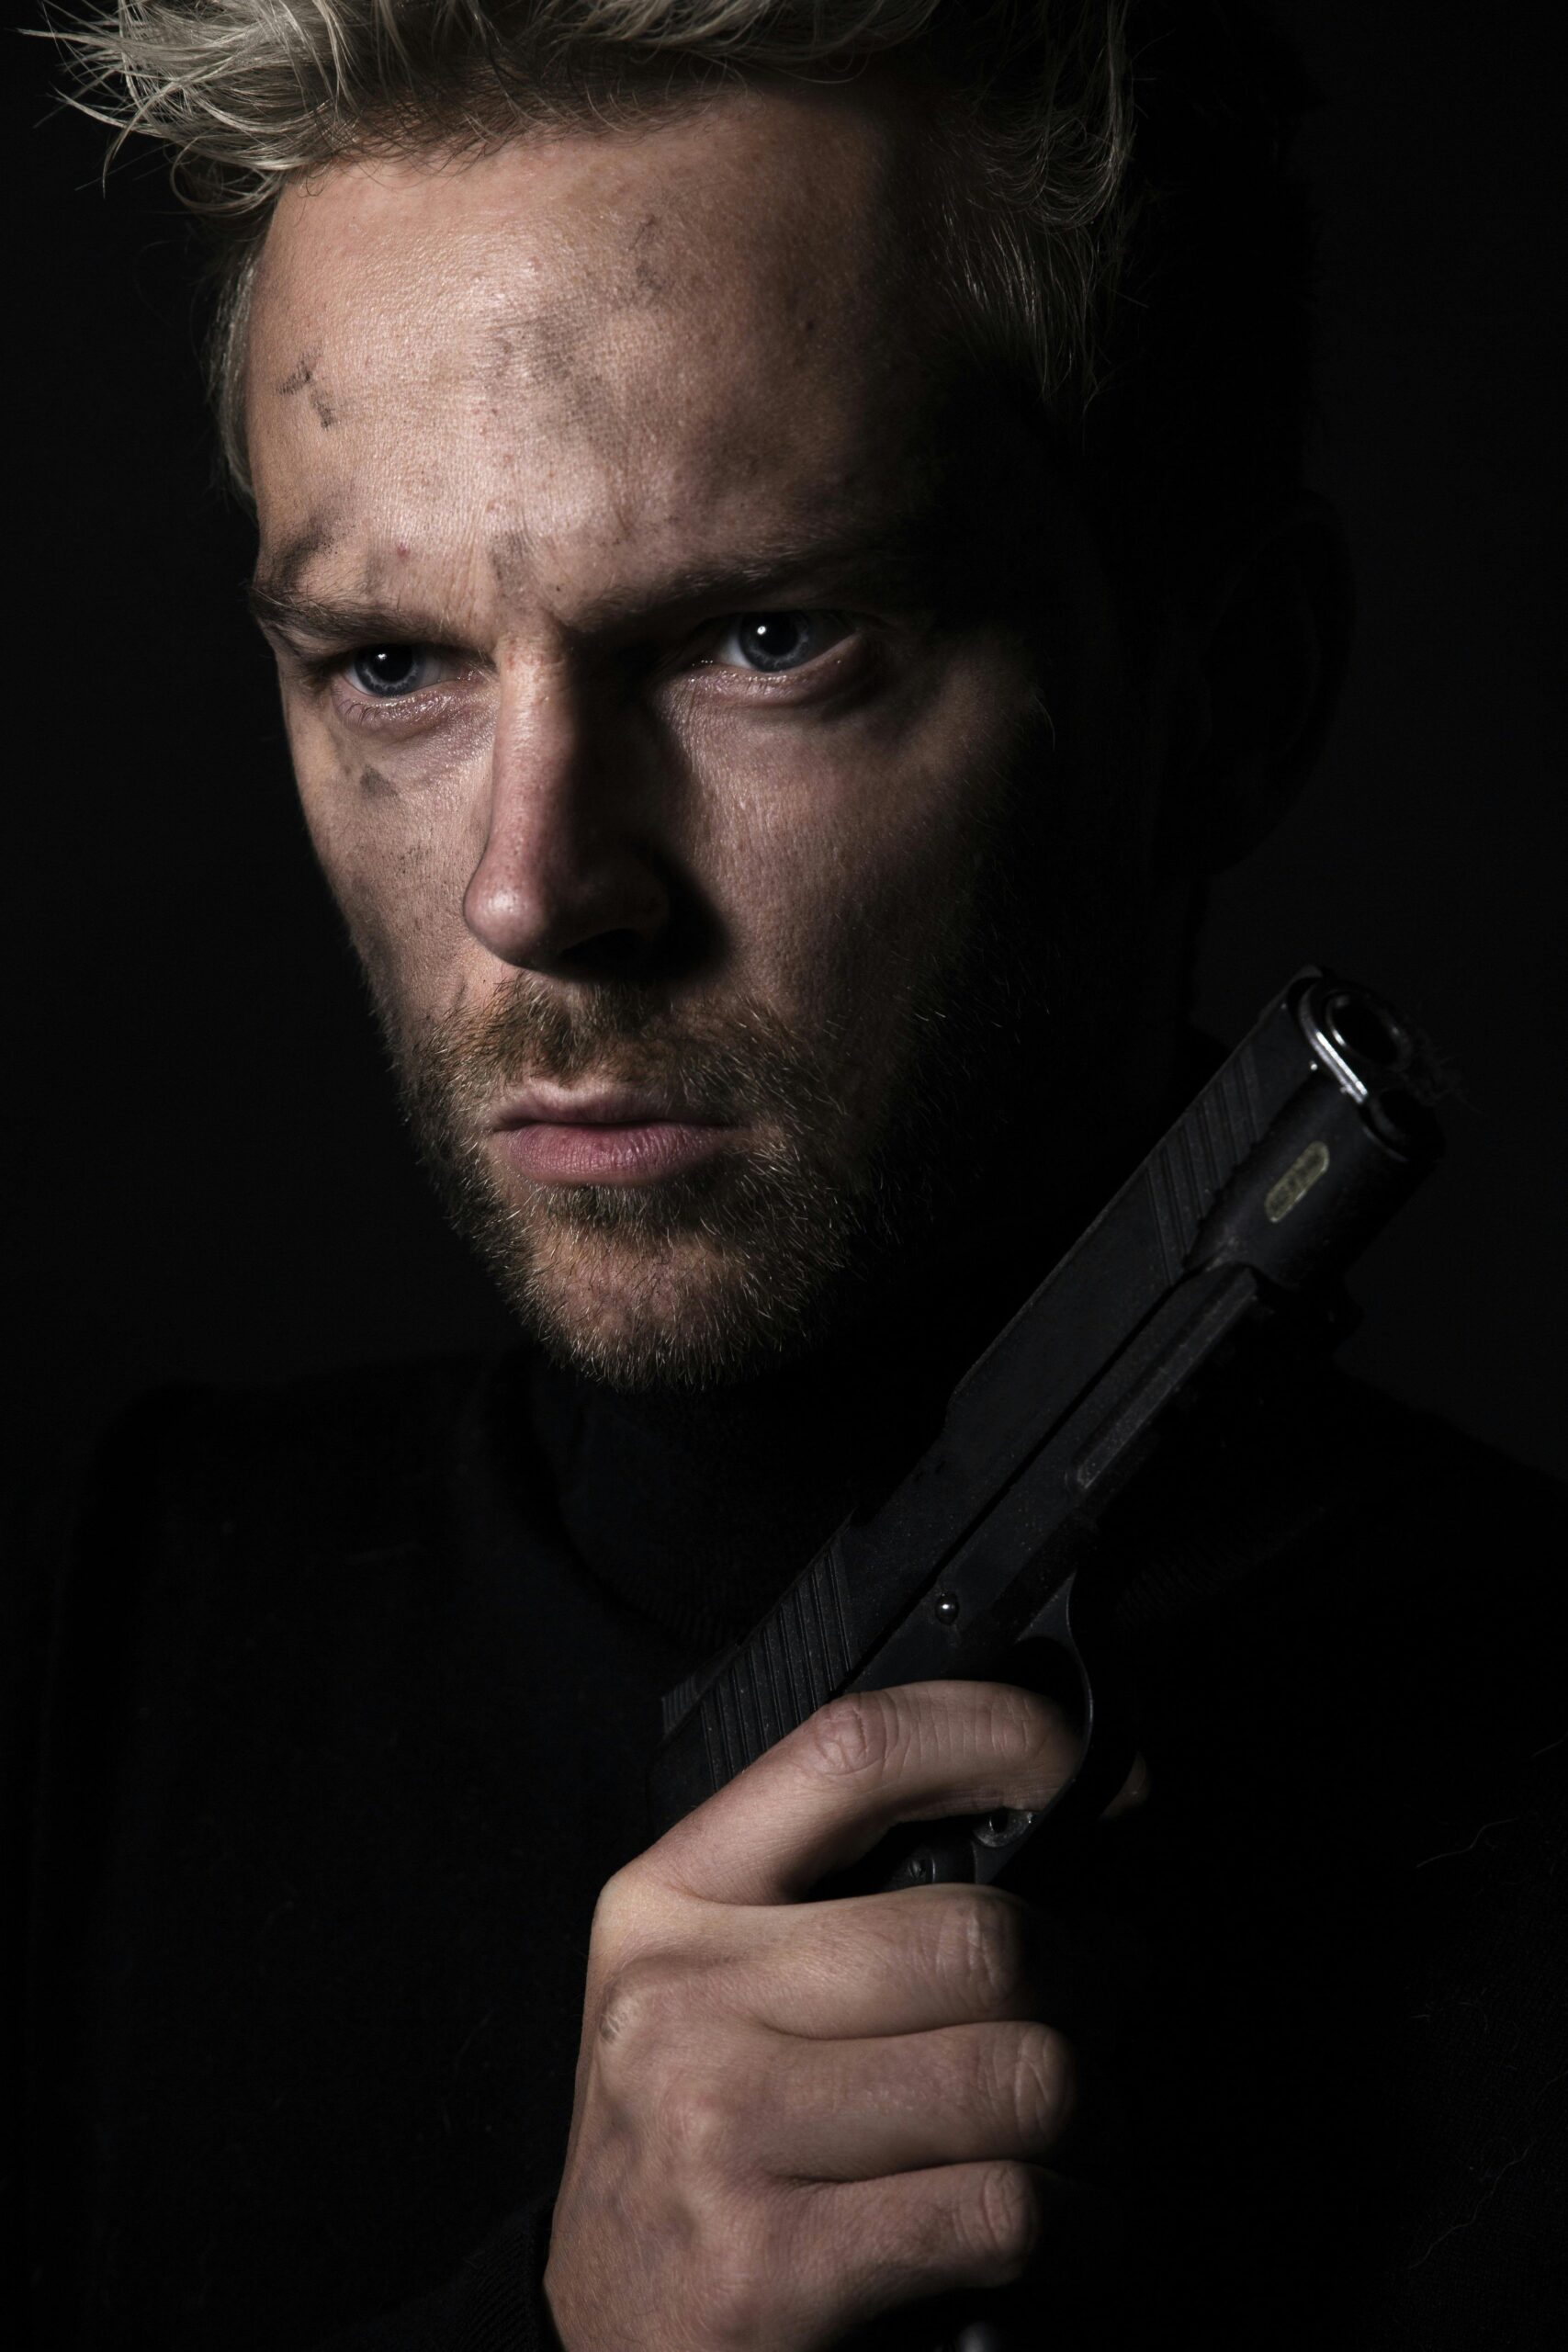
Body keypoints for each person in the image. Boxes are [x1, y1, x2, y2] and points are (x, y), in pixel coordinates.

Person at [8, 4, 1562, 2346]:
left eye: (764, 637)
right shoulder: (109, 1650)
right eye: (394, 667)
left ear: (1223, 696)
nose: (536, 889)